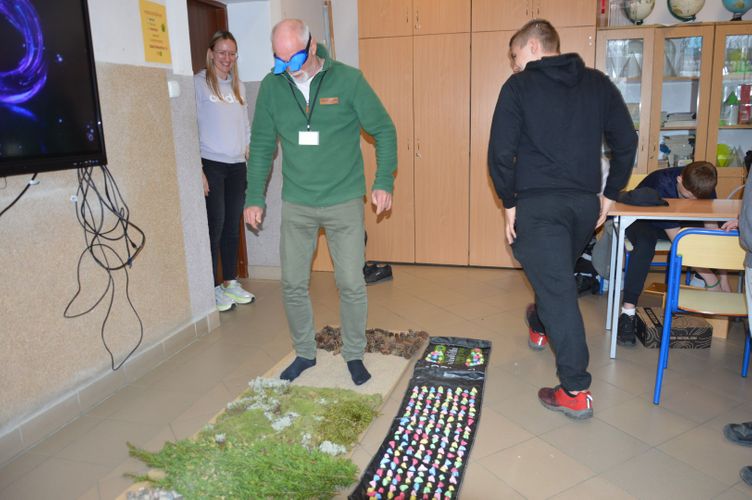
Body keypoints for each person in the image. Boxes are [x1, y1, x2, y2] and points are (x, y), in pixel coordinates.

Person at [488, 19, 637, 419]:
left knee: (558, 289)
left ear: (535, 47)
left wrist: (508, 201)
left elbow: (500, 153)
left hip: (538, 207)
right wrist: (610, 193)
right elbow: (627, 141)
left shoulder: (518, 86)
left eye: (515, 55)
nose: (514, 64)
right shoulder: (597, 83)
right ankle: (539, 323)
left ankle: (574, 389)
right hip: (583, 207)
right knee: (553, 277)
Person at [244, 19, 396, 385]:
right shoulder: (272, 86)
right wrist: (254, 196)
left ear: (312, 46)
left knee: (351, 282)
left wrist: (382, 181)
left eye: (294, 58)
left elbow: (383, 129)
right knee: (293, 283)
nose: (288, 67)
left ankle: (354, 354)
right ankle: (304, 352)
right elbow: (262, 145)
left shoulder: (348, 80)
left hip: (344, 198)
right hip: (298, 202)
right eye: (279, 59)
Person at [616, 161, 734, 346]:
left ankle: (699, 279)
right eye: (687, 195)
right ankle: (627, 313)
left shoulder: (703, 184)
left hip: (675, 221)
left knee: (707, 233)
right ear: (679, 179)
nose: (692, 200)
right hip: (642, 220)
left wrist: (724, 278)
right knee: (645, 246)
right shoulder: (662, 183)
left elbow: (711, 228)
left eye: (697, 198)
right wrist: (713, 282)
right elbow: (680, 242)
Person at [194, 31, 256, 313]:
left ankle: (230, 282)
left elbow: (245, 126)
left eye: (232, 53)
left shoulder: (238, 86)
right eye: (222, 52)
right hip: (212, 165)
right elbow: (190, 127)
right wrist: (198, 169)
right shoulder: (199, 84)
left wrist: (249, 154)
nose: (227, 58)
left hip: (237, 165)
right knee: (215, 225)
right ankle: (211, 289)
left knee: (233, 226)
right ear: (211, 53)